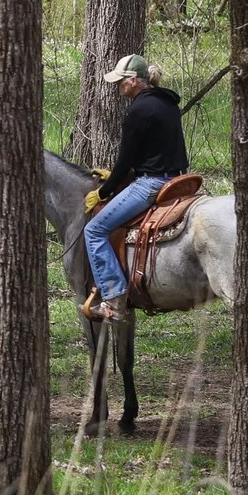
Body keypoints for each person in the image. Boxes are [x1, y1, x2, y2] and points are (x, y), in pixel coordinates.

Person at [82, 53, 190, 322]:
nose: (118, 87)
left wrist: (104, 190)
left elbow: (126, 158)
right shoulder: (168, 104)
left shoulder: (138, 110)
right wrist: (122, 174)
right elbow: (155, 150)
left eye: (121, 81)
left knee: (94, 230)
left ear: (133, 81)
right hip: (177, 179)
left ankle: (114, 299)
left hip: (151, 184)